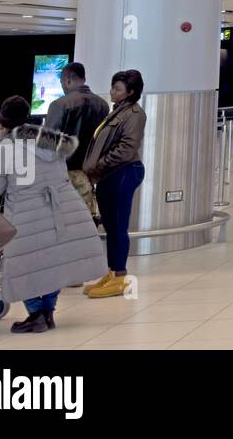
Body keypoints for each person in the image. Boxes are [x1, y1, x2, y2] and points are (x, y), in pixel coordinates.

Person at [0, 96, 106, 334]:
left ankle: (35, 314)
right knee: (54, 261)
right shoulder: (49, 140)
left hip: (25, 210)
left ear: (3, 118)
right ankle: (48, 313)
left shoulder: (4, 146)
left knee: (24, 264)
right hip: (60, 207)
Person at [82, 70, 146, 300]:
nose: (112, 92)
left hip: (123, 172)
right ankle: (112, 271)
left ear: (130, 92)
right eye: (112, 87)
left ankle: (120, 276)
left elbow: (126, 148)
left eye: (117, 89)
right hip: (110, 175)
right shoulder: (117, 111)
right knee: (110, 225)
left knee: (118, 226)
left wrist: (99, 166)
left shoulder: (134, 114)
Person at [43, 62, 110, 219]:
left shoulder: (59, 105)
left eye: (61, 83)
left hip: (64, 176)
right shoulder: (103, 105)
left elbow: (48, 145)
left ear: (67, 80)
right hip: (90, 176)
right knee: (85, 225)